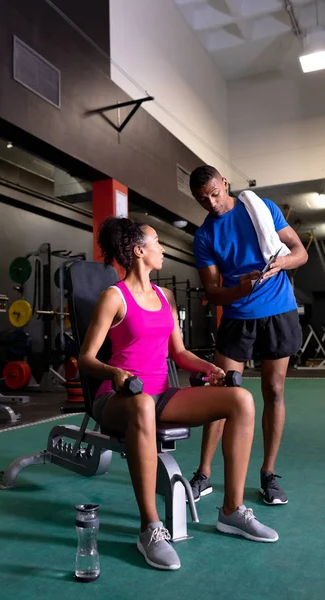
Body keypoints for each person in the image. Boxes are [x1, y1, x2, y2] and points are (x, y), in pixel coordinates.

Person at [78, 216, 279, 572]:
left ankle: (231, 511)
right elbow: (87, 358)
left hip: (160, 394)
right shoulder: (114, 298)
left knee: (241, 400)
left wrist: (208, 369)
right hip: (118, 398)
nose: (163, 248)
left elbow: (179, 353)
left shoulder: (164, 296)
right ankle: (151, 528)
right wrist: (116, 373)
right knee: (141, 405)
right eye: (157, 242)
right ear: (140, 251)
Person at [188, 165, 308, 508]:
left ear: (225, 183)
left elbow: (301, 252)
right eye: (201, 199)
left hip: (278, 310)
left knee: (273, 390)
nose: (211, 203)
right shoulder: (204, 237)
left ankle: (268, 474)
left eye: (214, 193)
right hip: (239, 317)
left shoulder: (263, 208)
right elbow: (213, 290)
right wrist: (240, 287)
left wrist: (281, 265)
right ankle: (203, 474)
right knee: (223, 392)